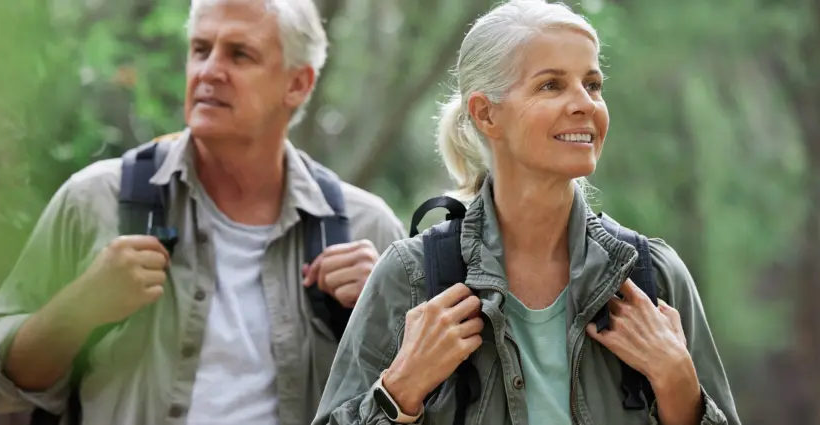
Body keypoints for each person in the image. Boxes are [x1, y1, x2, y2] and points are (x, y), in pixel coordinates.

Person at [0, 0, 405, 424]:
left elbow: (432, 404)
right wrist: (81, 307)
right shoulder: (94, 199)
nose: (210, 70)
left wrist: (383, 312)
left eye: (240, 54)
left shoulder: (366, 228)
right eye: (200, 49)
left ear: (298, 84)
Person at [311, 1, 741, 424]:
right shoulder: (411, 278)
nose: (585, 104)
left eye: (592, 84)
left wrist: (680, 387)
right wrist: (399, 391)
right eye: (551, 85)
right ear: (486, 114)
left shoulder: (654, 277)